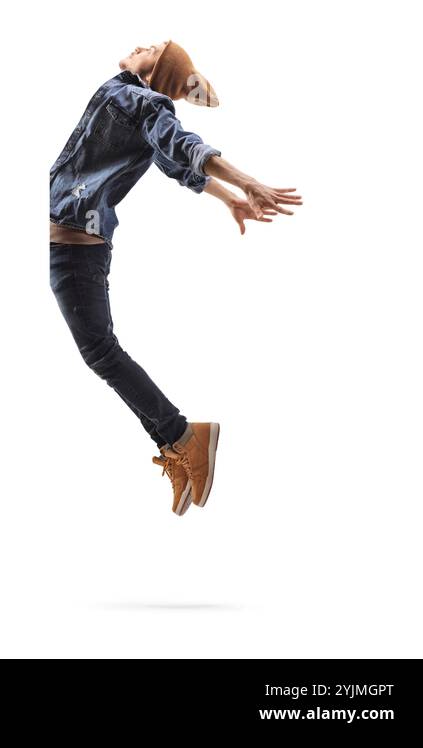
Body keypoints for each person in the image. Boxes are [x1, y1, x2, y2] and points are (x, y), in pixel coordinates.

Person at [48, 41, 302, 514]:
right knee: (100, 352)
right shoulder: (129, 99)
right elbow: (174, 163)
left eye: (155, 47)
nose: (141, 43)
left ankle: (185, 437)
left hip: (76, 248)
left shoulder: (142, 100)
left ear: (158, 70)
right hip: (75, 244)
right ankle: (177, 442)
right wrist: (229, 199)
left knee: (100, 352)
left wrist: (244, 182)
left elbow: (184, 146)